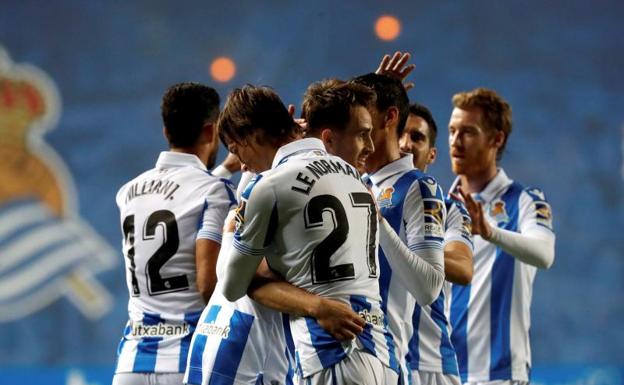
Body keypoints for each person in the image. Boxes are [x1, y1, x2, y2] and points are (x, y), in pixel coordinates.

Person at [218, 85, 399, 384]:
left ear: (251, 136)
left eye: (237, 150)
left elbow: (232, 285)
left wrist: (231, 232)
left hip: (330, 352)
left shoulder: (267, 187)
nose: (243, 165)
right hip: (381, 353)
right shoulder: (355, 174)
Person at [113, 83, 236, 385]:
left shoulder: (127, 193)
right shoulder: (215, 192)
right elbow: (208, 285)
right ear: (211, 132)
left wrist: (224, 170)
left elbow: (180, 200)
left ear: (166, 132)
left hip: (131, 363)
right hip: (188, 361)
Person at [446, 88, 555, 384]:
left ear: (497, 139)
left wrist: (491, 232)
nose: (455, 142)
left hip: (499, 374)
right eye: (452, 131)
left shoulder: (524, 201)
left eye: (467, 132)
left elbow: (544, 255)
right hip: (442, 372)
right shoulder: (440, 206)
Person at [352, 73, 447, 384]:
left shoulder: (420, 187)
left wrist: (378, 222)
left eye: (364, 118)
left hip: (384, 363)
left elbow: (429, 287)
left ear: (389, 117)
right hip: (338, 356)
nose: (357, 129)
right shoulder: (354, 181)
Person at [399, 102, 474, 384]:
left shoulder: (450, 210)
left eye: (417, 137)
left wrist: (403, 241)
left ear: (431, 154)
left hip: (430, 363)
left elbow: (463, 268)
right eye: (400, 134)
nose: (406, 144)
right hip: (376, 354)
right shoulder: (363, 194)